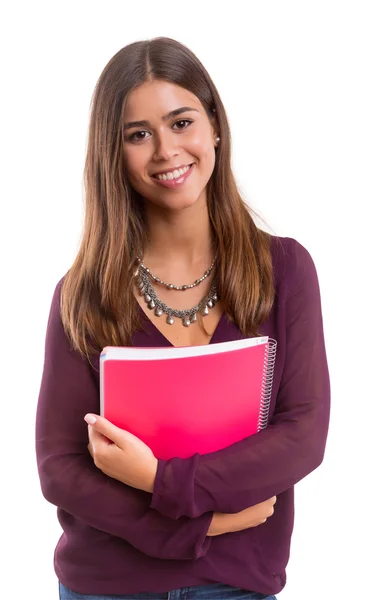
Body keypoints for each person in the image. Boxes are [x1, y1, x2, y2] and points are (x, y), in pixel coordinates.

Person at [35, 37, 330, 600]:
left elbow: (302, 437)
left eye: (180, 122)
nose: (166, 151)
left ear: (214, 124)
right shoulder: (82, 294)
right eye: (138, 135)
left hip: (237, 583)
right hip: (109, 586)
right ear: (113, 154)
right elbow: (60, 470)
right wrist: (200, 524)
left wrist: (156, 480)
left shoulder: (286, 270)